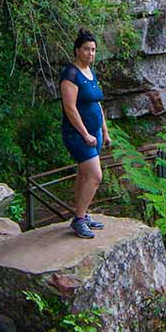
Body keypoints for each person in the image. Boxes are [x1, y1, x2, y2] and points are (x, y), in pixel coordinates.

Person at [60, 28, 110, 238]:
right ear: (77, 50)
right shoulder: (71, 75)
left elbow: (97, 104)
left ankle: (82, 213)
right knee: (95, 176)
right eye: (87, 49)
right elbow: (70, 108)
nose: (91, 53)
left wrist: (104, 132)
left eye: (94, 50)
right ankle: (79, 219)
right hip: (78, 134)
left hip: (95, 132)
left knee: (83, 175)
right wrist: (85, 134)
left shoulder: (90, 72)